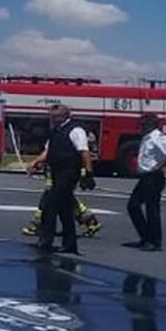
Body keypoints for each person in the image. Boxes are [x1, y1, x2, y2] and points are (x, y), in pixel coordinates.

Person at [26, 105, 96, 254]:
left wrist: (88, 173)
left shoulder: (75, 130)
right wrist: (36, 163)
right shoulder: (55, 131)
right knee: (64, 209)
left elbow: (84, 152)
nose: (51, 119)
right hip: (57, 172)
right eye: (51, 116)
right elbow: (48, 151)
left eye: (54, 116)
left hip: (69, 172)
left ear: (63, 116)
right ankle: (69, 244)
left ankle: (46, 240)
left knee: (50, 204)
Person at [123, 113, 166, 252]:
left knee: (152, 209)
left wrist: (158, 166)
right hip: (145, 177)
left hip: (153, 177)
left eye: (142, 124)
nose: (140, 126)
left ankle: (154, 242)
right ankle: (146, 237)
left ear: (150, 124)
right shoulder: (146, 138)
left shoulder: (157, 138)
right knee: (133, 206)